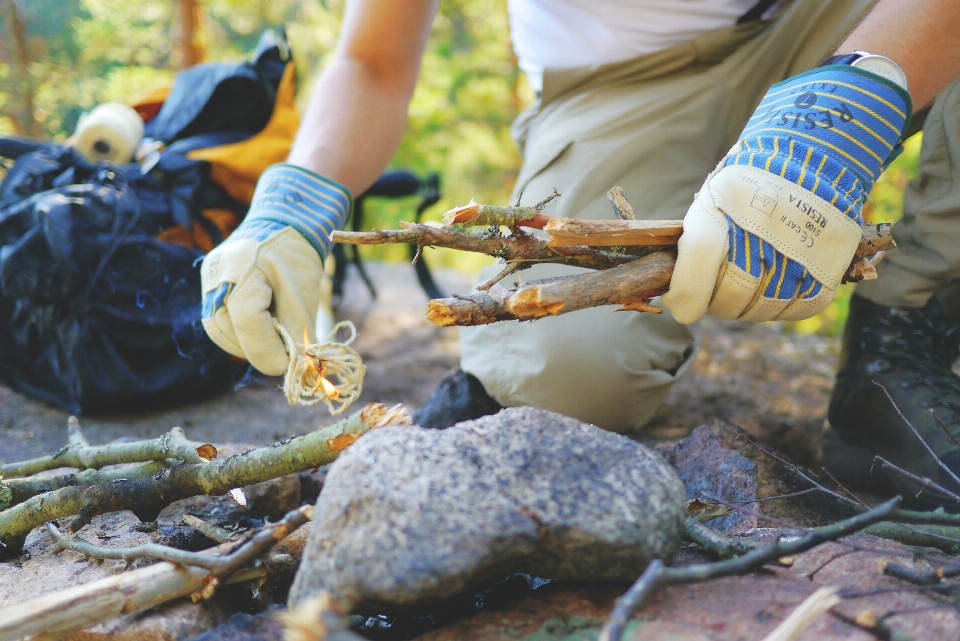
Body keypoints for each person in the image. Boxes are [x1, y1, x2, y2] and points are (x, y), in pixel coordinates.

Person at [200, 0, 960, 504]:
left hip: (857, 18)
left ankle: (903, 340)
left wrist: (854, 98)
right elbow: (372, 59)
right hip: (618, 87)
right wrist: (294, 199)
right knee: (559, 372)